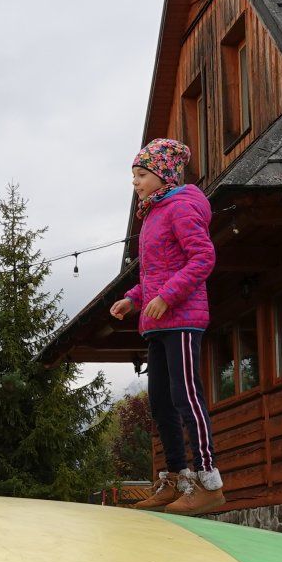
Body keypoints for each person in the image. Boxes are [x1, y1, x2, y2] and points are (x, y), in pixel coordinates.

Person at [108, 138, 223, 514]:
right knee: (160, 401)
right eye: (134, 176)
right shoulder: (153, 214)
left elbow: (203, 257)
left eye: (141, 175)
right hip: (156, 322)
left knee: (186, 396)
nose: (135, 182)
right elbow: (155, 274)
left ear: (163, 175)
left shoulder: (182, 208)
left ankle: (209, 481)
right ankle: (176, 478)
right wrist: (134, 297)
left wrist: (168, 296)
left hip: (183, 319)